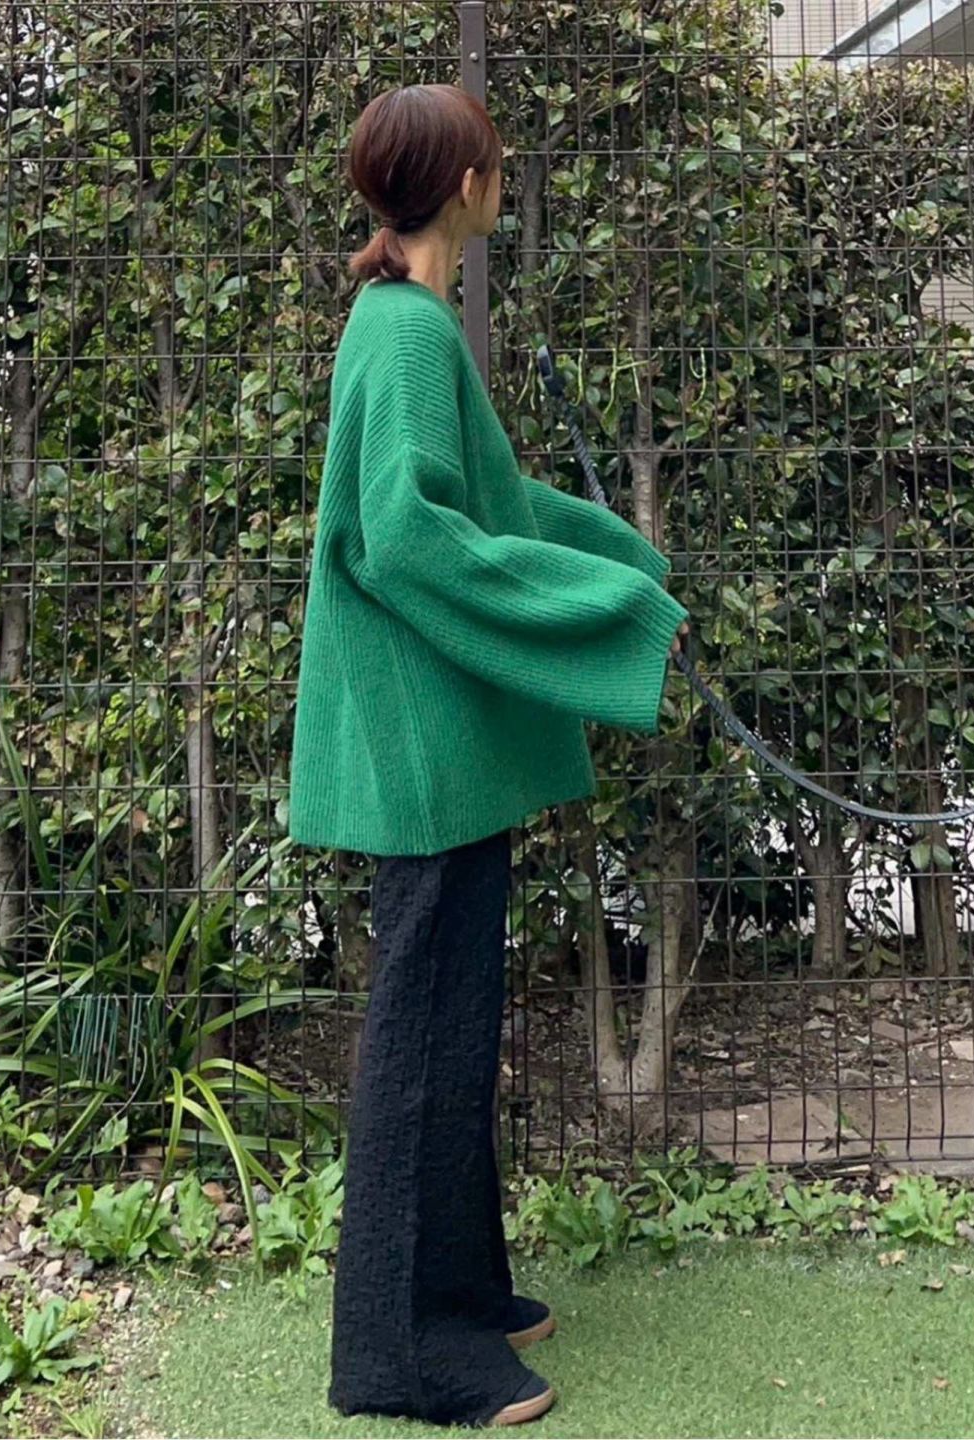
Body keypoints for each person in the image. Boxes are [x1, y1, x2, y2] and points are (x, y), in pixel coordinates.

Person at [287, 83, 691, 1429]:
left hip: (438, 743)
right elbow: (407, 537)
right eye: (497, 162)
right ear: (465, 185)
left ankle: (458, 1293)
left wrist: (626, 568)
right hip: (424, 746)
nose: (505, 175)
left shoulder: (400, 319)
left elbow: (495, 504)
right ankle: (401, 1353)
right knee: (423, 1039)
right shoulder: (406, 332)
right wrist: (608, 604)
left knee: (452, 1028)